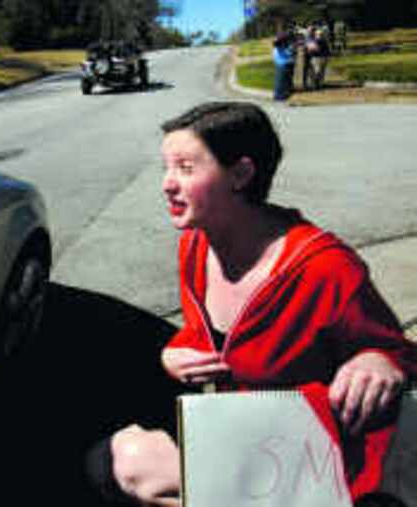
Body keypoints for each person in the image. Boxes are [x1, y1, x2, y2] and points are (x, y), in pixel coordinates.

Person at [90, 102, 417, 506]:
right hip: (239, 430)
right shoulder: (195, 244)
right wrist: (174, 356)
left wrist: (379, 361)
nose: (167, 184)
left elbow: (396, 352)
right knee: (108, 458)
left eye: (186, 169)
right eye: (166, 167)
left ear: (241, 174)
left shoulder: (326, 268)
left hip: (312, 455)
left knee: (133, 463)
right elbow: (206, 336)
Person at [272, 30, 296, 101]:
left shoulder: (284, 46)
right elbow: (277, 43)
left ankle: (283, 93)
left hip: (285, 64)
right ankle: (279, 95)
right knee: (281, 80)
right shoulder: (279, 45)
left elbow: (289, 52)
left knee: (284, 81)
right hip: (282, 64)